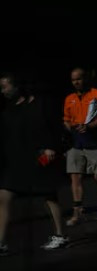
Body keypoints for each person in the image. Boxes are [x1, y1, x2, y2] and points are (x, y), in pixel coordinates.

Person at [0, 73, 68, 255]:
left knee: (49, 195)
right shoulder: (9, 110)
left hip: (40, 158)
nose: (3, 91)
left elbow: (55, 127)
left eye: (5, 86)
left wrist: (51, 148)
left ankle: (60, 236)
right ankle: (0, 243)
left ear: (16, 86)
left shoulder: (39, 104)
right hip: (17, 162)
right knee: (4, 196)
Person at [63, 68, 97, 226]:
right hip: (75, 143)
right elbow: (66, 118)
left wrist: (90, 126)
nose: (76, 82)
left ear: (85, 79)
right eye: (73, 80)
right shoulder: (69, 98)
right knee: (75, 176)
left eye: (78, 79)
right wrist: (69, 126)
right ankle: (77, 213)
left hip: (93, 141)